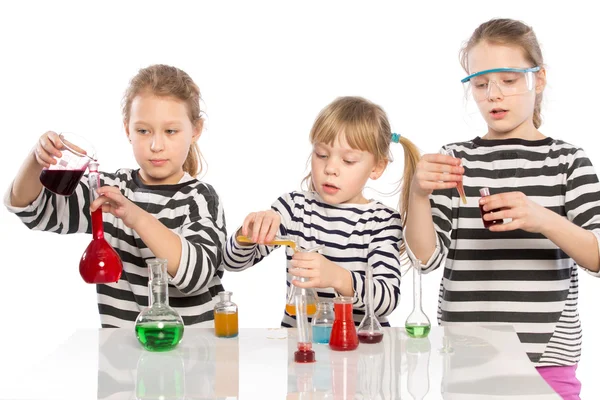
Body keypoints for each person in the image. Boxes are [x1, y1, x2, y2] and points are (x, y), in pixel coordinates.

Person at [404, 18, 600, 399]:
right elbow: (425, 260)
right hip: (463, 354)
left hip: (545, 358)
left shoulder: (568, 161)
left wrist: (541, 217)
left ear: (538, 79)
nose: (493, 95)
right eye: (480, 83)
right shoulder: (455, 159)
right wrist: (417, 194)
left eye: (508, 80)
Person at [4, 64, 227, 328]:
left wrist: (136, 216)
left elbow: (195, 276)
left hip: (193, 357)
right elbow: (32, 210)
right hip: (122, 359)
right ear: (127, 130)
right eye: (143, 131)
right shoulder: (110, 189)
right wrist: (36, 159)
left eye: (171, 131)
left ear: (196, 131)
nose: (156, 145)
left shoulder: (199, 197)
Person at [223, 96, 420, 327]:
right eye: (322, 155)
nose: (330, 168)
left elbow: (387, 299)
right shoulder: (294, 209)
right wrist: (247, 234)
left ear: (377, 167)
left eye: (348, 160)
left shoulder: (382, 222)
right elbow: (232, 262)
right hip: (302, 349)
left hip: (363, 352)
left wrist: (336, 276)